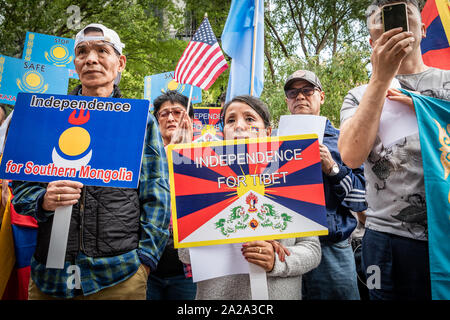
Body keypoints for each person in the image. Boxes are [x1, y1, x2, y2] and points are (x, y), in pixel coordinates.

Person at [11, 23, 171, 300]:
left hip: (119, 276)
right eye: (82, 52)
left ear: (120, 63)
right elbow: (22, 188)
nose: (91, 58)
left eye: (101, 50)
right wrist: (44, 200)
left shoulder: (139, 121)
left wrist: (145, 260)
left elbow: (156, 192)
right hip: (51, 277)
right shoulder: (46, 116)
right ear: (75, 64)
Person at [338, 0, 450, 300]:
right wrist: (380, 78)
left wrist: (423, 106)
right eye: (382, 17)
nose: (394, 22)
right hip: (388, 239)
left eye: (404, 12)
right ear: (371, 40)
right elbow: (350, 155)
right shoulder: (358, 95)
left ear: (424, 29)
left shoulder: (448, 83)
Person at [178, 95, 322, 300]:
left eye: (250, 119)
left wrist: (277, 262)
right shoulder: (200, 180)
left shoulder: (293, 175)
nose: (239, 126)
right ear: (223, 132)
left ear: (268, 131)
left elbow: (312, 250)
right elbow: (185, 255)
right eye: (230, 120)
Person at [283, 70, 367, 300]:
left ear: (321, 96)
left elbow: (362, 198)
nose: (300, 96)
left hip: (331, 249)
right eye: (293, 92)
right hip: (286, 250)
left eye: (307, 90)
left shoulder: (343, 140)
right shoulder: (272, 140)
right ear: (287, 100)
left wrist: (332, 169)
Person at [147, 90, 196, 300]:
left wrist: (183, 155)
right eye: (164, 114)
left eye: (177, 112)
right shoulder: (145, 157)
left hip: (188, 270)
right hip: (149, 267)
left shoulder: (208, 156)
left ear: (191, 120)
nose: (170, 118)